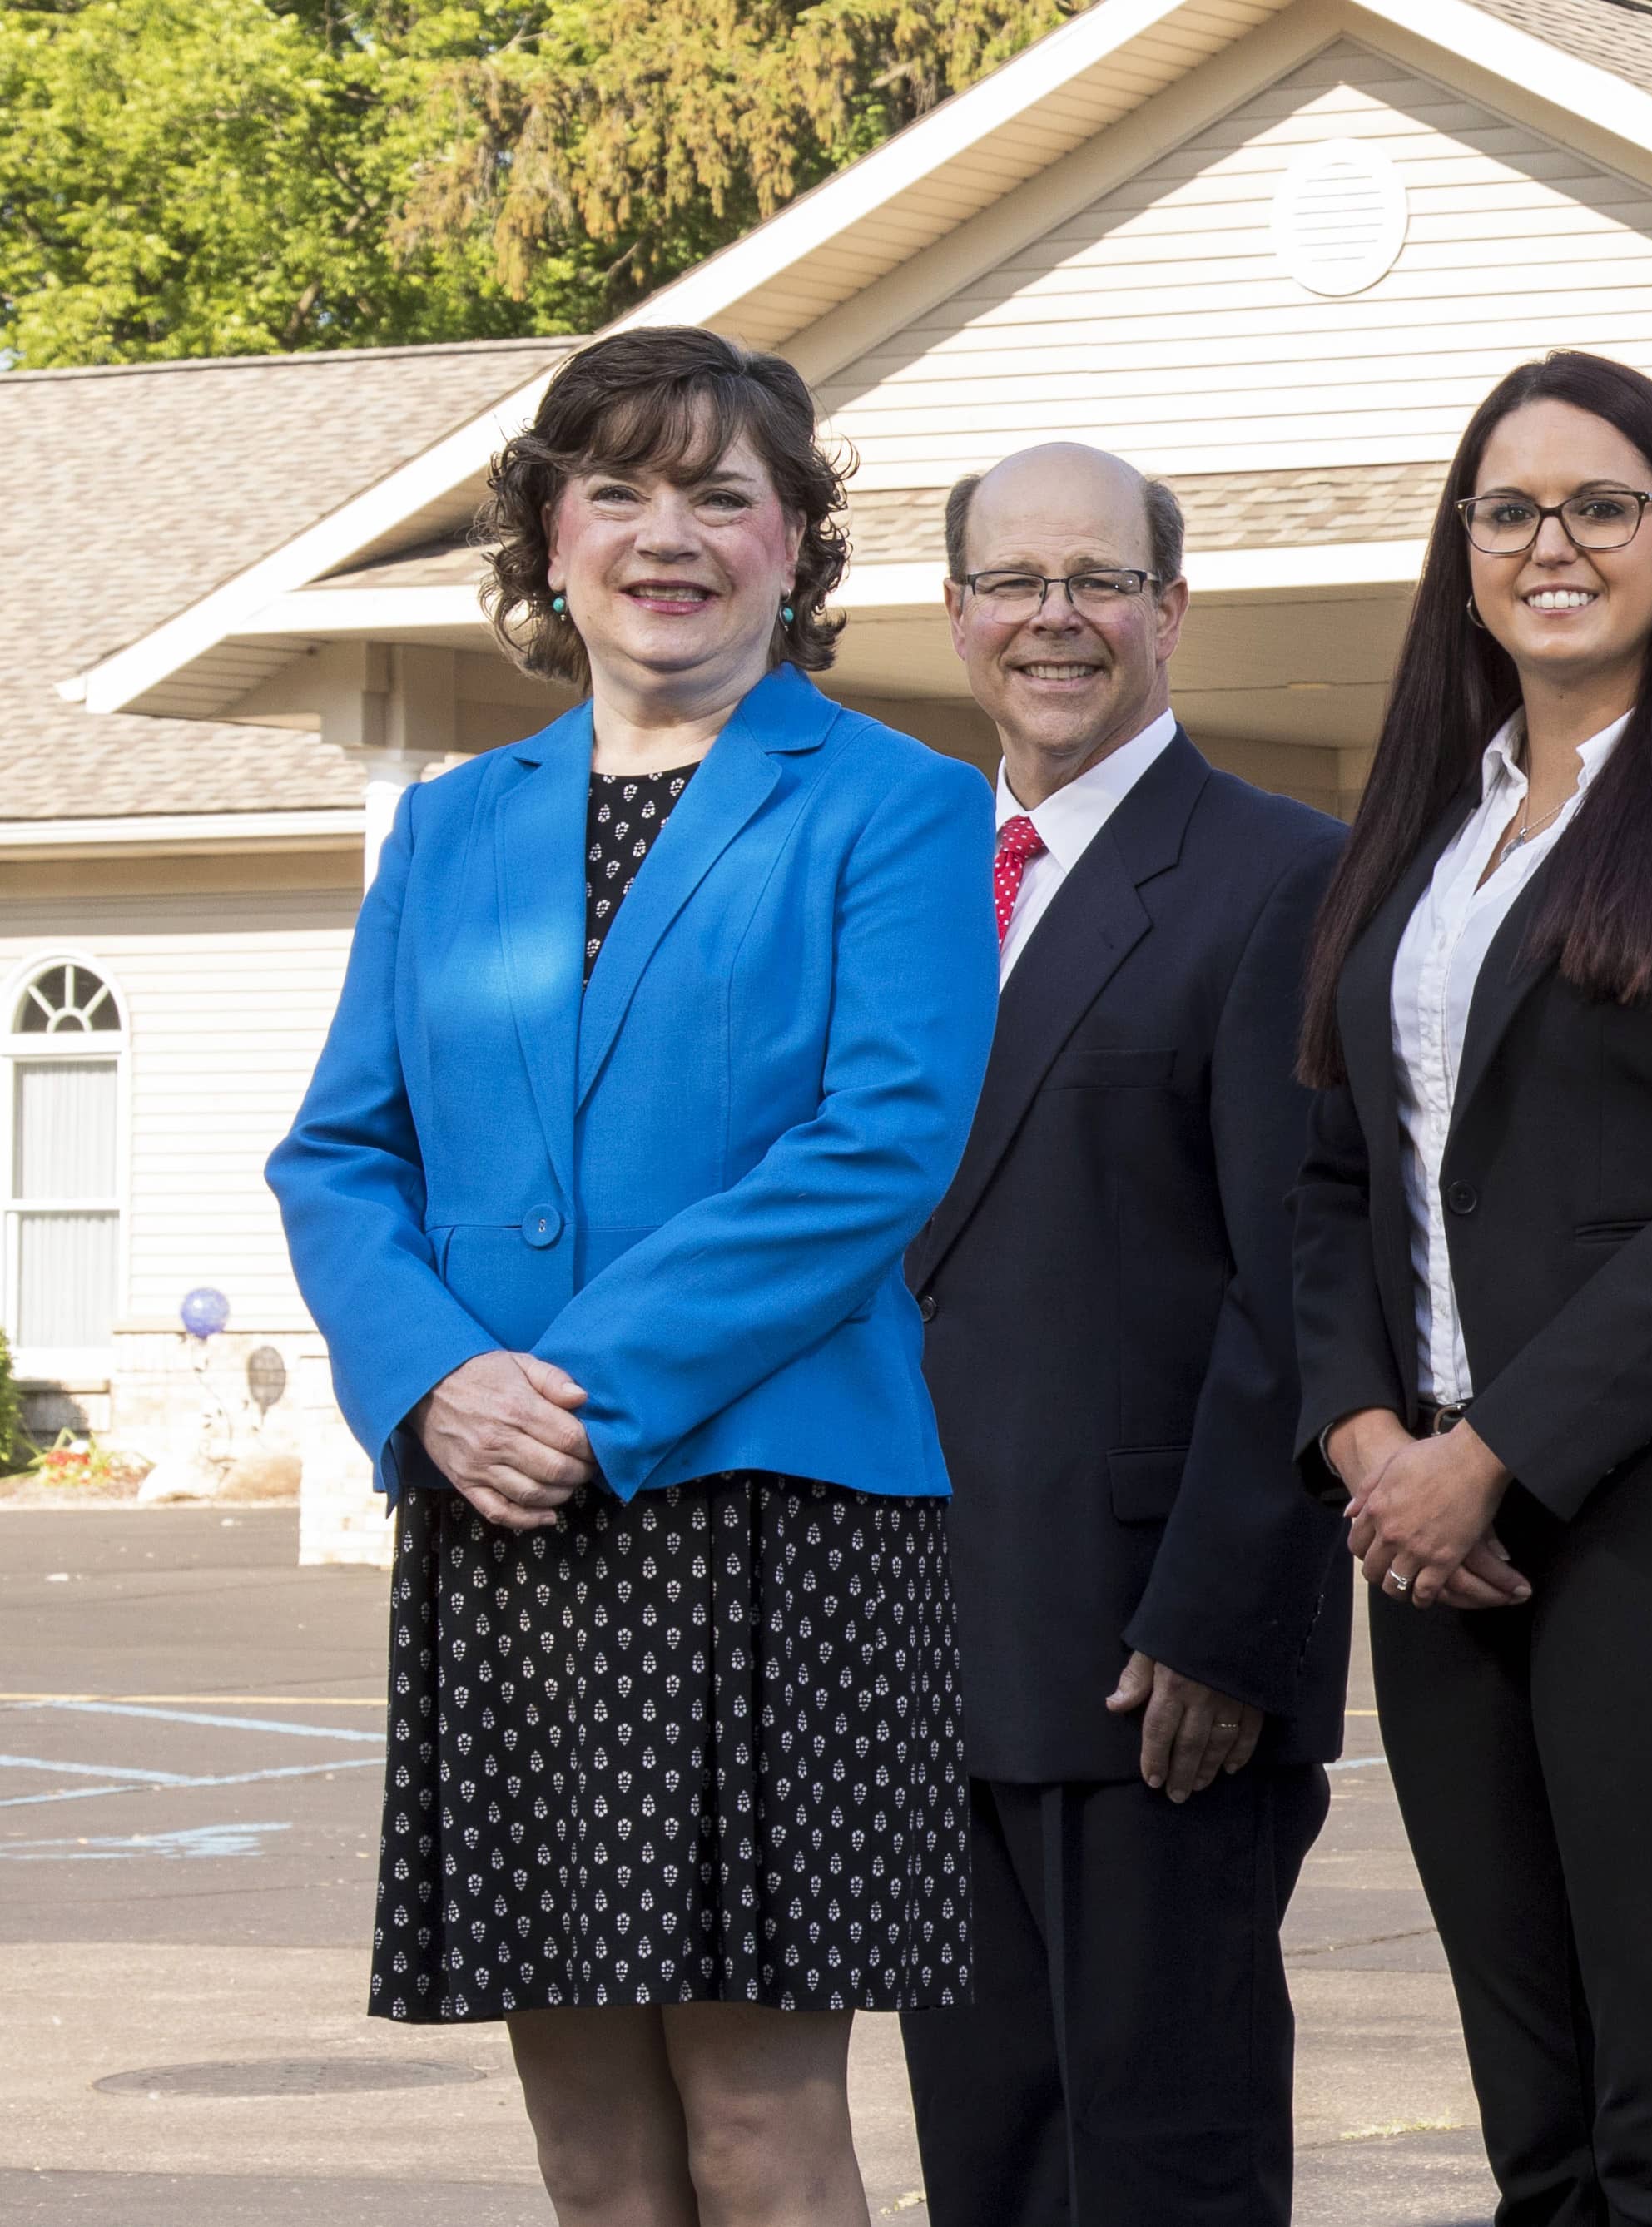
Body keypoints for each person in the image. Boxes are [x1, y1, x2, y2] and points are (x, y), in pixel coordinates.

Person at [267, 325, 995, 2227]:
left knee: (760, 2125)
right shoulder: (448, 826)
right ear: (551, 533)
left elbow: (879, 1146)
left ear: (790, 548)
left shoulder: (896, 802)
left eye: (720, 495)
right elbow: (342, 1153)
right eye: (621, 490)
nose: (667, 536)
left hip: (777, 1513)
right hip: (502, 1504)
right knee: (588, 2149)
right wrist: (439, 1386)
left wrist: (567, 1386)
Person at [1288, 350, 1652, 2225]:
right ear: (1462, 549)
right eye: (1510, 509)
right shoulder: (1417, 831)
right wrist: (1377, 1444)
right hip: (1428, 1532)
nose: (1553, 543)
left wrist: (1499, 1457)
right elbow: (1331, 1180)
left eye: (1601, 505)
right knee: (1535, 2134)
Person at [895, 444, 1348, 2226]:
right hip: (927, 1640)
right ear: (956, 617)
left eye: (1096, 581)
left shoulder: (1279, 879)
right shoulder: (910, 875)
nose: (1052, 619)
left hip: (1156, 1662)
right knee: (986, 2170)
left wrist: (1224, 1621)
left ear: (1170, 607)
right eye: (1012, 583)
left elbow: (1298, 1270)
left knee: (1166, 2170)